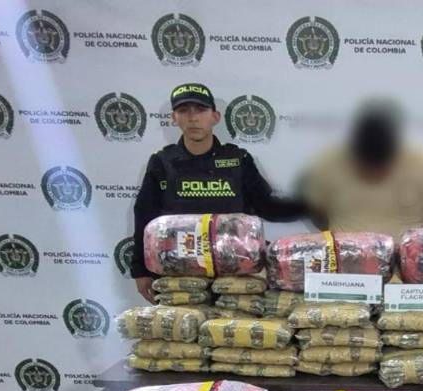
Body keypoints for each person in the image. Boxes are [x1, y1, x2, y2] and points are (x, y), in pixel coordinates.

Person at [130, 83, 305, 301]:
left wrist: (311, 206)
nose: (193, 118)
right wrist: (140, 269)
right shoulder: (162, 162)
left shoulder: (237, 159)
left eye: (201, 110)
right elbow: (144, 216)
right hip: (179, 274)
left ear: (215, 117)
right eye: (184, 110)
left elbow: (266, 206)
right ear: (174, 118)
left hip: (234, 274)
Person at [303, 99, 423, 239]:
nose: (374, 172)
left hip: (403, 256)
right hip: (343, 255)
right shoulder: (328, 163)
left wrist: (411, 248)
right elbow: (318, 214)